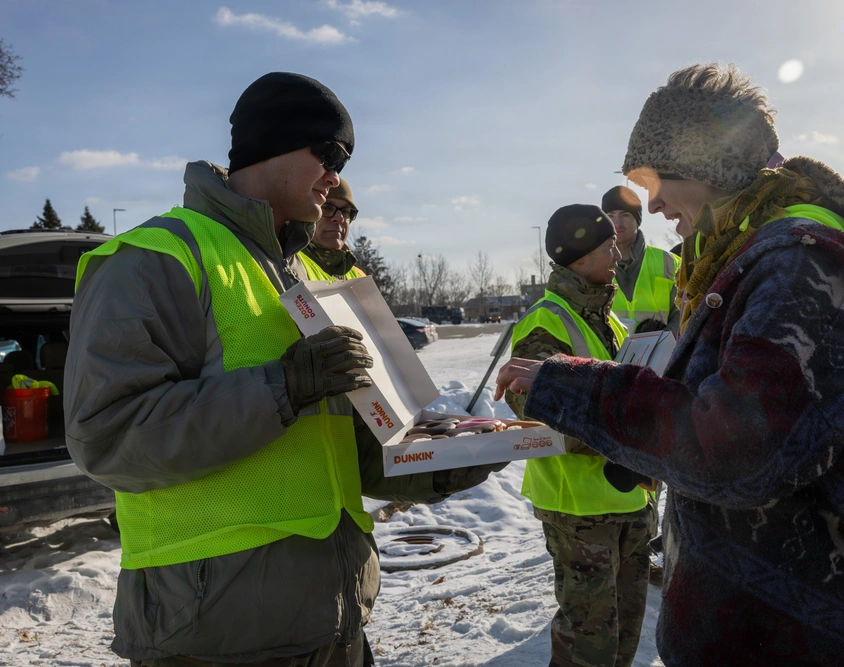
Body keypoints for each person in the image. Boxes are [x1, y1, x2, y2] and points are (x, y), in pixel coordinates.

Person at [495, 63, 844, 666]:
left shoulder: (797, 265)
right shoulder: (762, 254)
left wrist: (573, 389)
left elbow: (735, 448)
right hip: (770, 617)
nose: (653, 202)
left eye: (655, 178)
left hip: (784, 631)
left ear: (707, 163)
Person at [64, 72, 503, 667]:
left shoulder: (307, 279)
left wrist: (455, 461)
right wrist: (285, 386)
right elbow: (108, 438)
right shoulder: (157, 258)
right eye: (327, 153)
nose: (335, 175)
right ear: (271, 145)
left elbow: (346, 454)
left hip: (333, 623)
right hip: (215, 634)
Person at [505, 204, 655, 667]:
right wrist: (625, 426)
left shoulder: (608, 319)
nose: (617, 252)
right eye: (607, 244)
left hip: (628, 501)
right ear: (578, 254)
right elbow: (536, 414)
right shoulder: (546, 321)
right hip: (578, 511)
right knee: (588, 642)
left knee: (625, 634)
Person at [602, 185, 681, 335]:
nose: (617, 223)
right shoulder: (593, 265)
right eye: (611, 215)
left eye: (625, 214)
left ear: (637, 219)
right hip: (607, 355)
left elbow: (683, 312)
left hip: (660, 355)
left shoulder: (670, 262)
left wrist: (662, 339)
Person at [298, 177, 367, 281]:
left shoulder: (358, 278)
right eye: (327, 208)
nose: (339, 218)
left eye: (345, 211)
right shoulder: (287, 264)